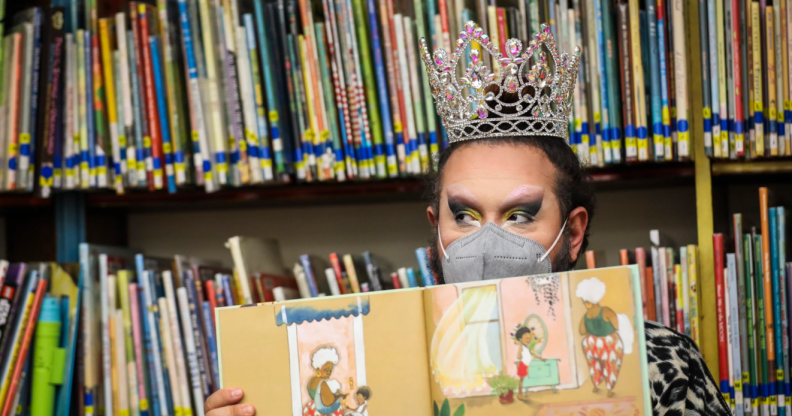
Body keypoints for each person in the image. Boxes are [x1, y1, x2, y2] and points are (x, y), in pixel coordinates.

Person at [204, 21, 731, 416]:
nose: (488, 240)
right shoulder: (377, 362)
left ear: (571, 233)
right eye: (464, 214)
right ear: (435, 226)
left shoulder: (658, 359)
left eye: (521, 215)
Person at [303, 347, 347, 416]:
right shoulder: (322, 383)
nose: (329, 373)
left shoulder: (311, 381)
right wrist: (339, 396)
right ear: (318, 368)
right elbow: (328, 402)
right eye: (326, 370)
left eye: (330, 370)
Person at [514, 326, 544, 401]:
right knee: (521, 380)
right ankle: (520, 394)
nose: (529, 340)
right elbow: (518, 356)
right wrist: (521, 356)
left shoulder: (526, 347)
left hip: (525, 365)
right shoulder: (521, 347)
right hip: (523, 365)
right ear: (521, 339)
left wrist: (541, 358)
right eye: (526, 338)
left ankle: (520, 394)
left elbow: (532, 354)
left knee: (522, 380)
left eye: (529, 338)